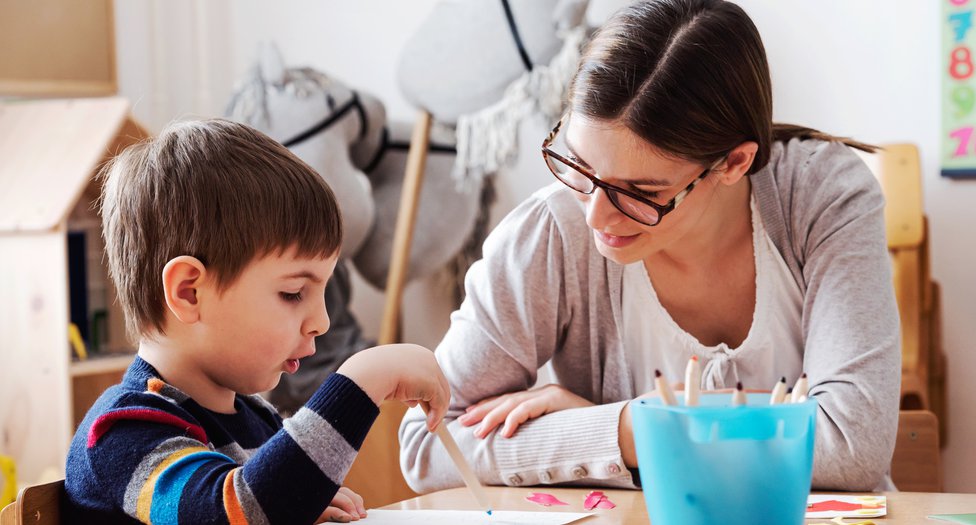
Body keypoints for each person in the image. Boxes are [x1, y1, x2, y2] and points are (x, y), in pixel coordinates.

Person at [400, 0, 900, 493]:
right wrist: (622, 430)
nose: (596, 215)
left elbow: (851, 446)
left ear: (733, 163)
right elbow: (428, 443)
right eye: (578, 164)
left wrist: (639, 428)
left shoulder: (819, 192)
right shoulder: (553, 228)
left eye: (641, 192)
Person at [64, 119, 451, 524]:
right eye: (293, 293)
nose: (321, 321)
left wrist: (296, 501)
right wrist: (362, 380)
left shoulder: (258, 419)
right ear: (189, 293)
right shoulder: (123, 430)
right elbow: (236, 512)